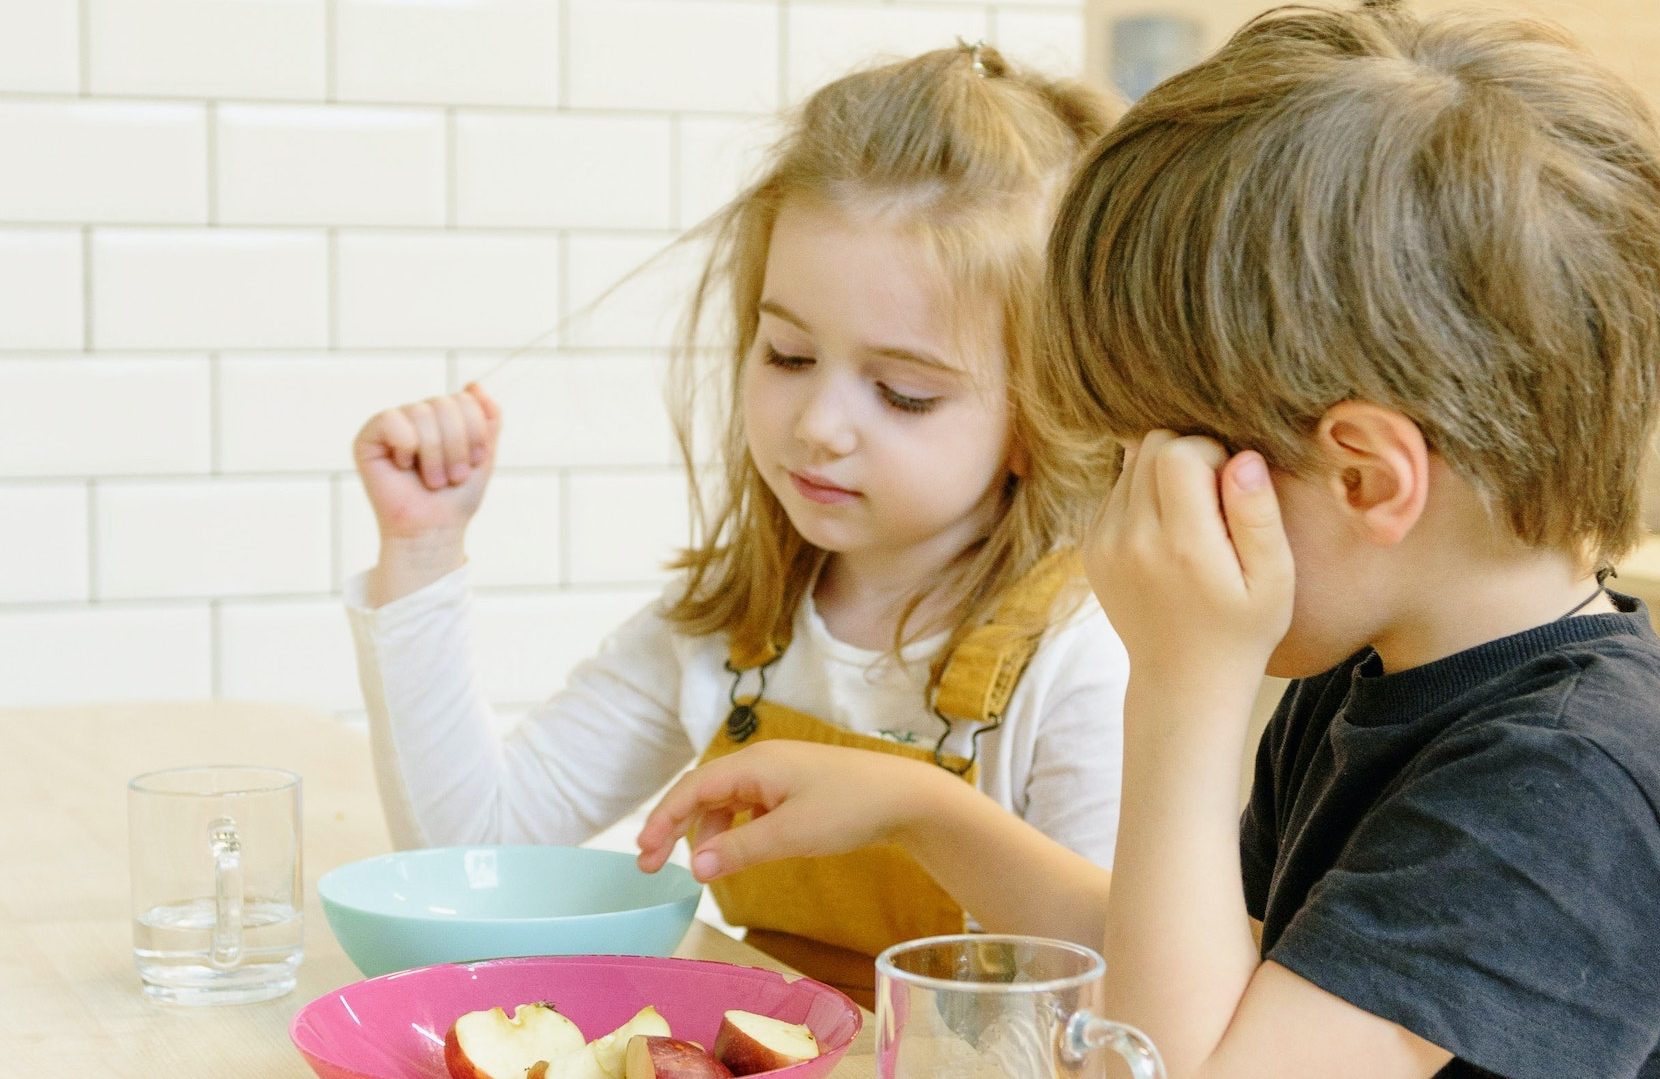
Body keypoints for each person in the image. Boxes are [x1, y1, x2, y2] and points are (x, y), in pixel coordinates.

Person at [636, 3, 1660, 1074]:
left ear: (1361, 475)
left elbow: (1172, 1060)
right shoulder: (1366, 675)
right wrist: (918, 809)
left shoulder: (1574, 787)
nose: (1129, 489)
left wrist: (1182, 684)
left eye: (1162, 440)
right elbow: (1186, 964)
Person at [345, 43, 1127, 1006]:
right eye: (789, 354)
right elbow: (473, 854)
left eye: (902, 393)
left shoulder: (1082, 659)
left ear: (1039, 415)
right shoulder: (730, 627)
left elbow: (1125, 986)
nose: (818, 425)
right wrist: (422, 555)